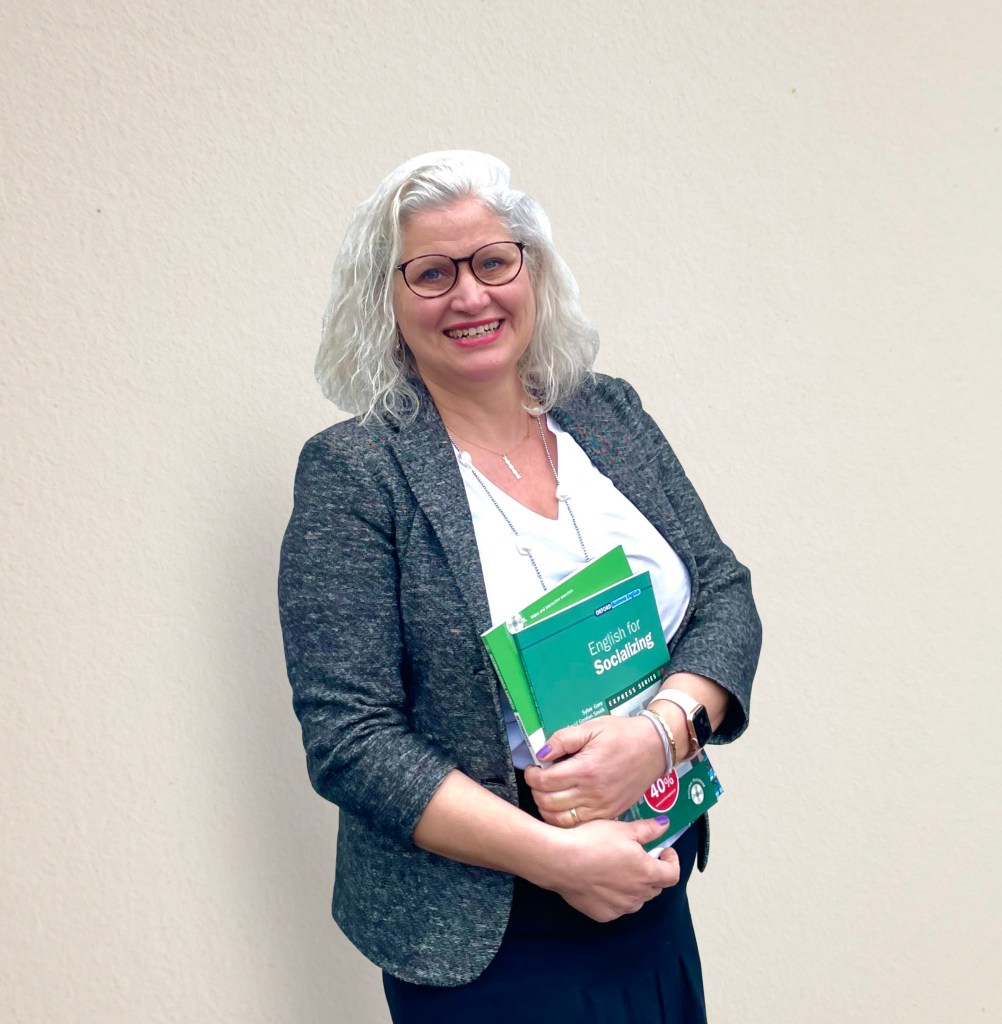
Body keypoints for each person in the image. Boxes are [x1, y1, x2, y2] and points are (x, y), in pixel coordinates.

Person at [278, 150, 761, 1023]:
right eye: (432, 273)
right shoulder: (356, 473)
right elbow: (351, 738)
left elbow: (723, 591)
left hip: (652, 880)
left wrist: (658, 735)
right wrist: (557, 858)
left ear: (531, 271)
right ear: (385, 301)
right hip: (493, 939)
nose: (471, 296)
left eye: (494, 262)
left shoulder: (608, 414)